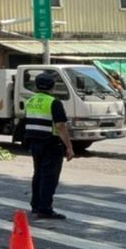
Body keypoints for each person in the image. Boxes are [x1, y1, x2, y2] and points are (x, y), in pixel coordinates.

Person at [24, 70, 74, 220]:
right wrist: (69, 147)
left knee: (38, 174)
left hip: (34, 142)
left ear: (36, 86)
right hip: (50, 144)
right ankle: (45, 209)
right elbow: (60, 126)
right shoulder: (54, 102)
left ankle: (36, 205)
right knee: (49, 177)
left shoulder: (30, 101)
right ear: (52, 86)